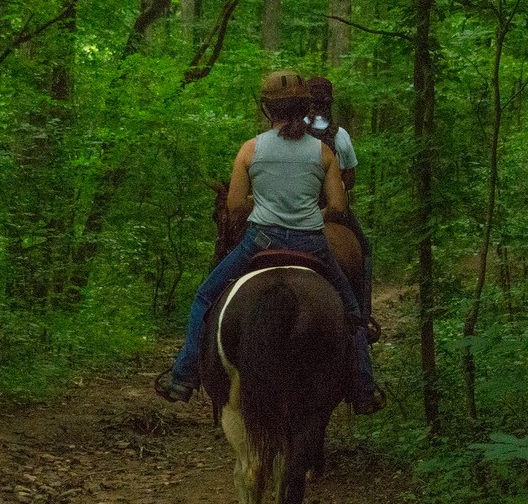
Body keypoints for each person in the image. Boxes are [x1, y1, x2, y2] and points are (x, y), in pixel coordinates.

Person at [155, 70, 385, 415]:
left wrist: (265, 206)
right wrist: (309, 216)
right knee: (351, 311)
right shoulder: (323, 153)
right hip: (312, 243)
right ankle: (364, 387)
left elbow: (234, 206)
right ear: (303, 107)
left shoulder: (250, 149)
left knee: (205, 296)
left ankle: (183, 374)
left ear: (268, 109)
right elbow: (338, 206)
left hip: (261, 240)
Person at [306, 76, 374, 330]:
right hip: (333, 213)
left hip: (298, 207)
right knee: (365, 250)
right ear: (329, 103)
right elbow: (351, 179)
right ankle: (363, 314)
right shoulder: (340, 135)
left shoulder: (291, 133)